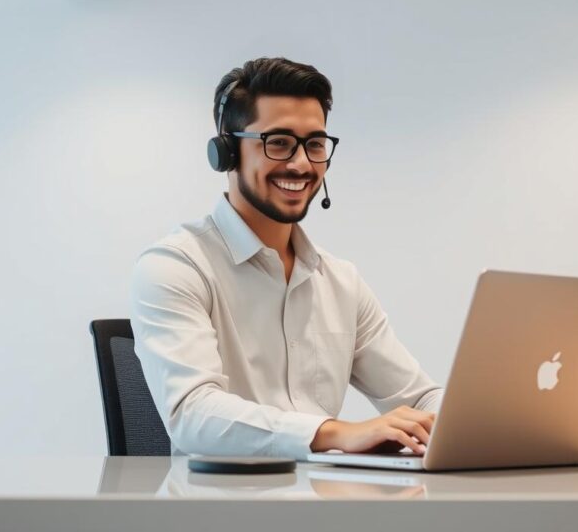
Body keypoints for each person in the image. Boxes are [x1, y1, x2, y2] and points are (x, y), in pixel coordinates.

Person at [130, 57, 444, 460]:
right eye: (278, 142)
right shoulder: (173, 267)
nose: (300, 164)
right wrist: (336, 433)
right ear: (226, 152)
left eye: (314, 144)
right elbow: (192, 414)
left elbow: (420, 397)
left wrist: (457, 427)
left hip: (323, 507)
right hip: (219, 511)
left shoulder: (341, 282)